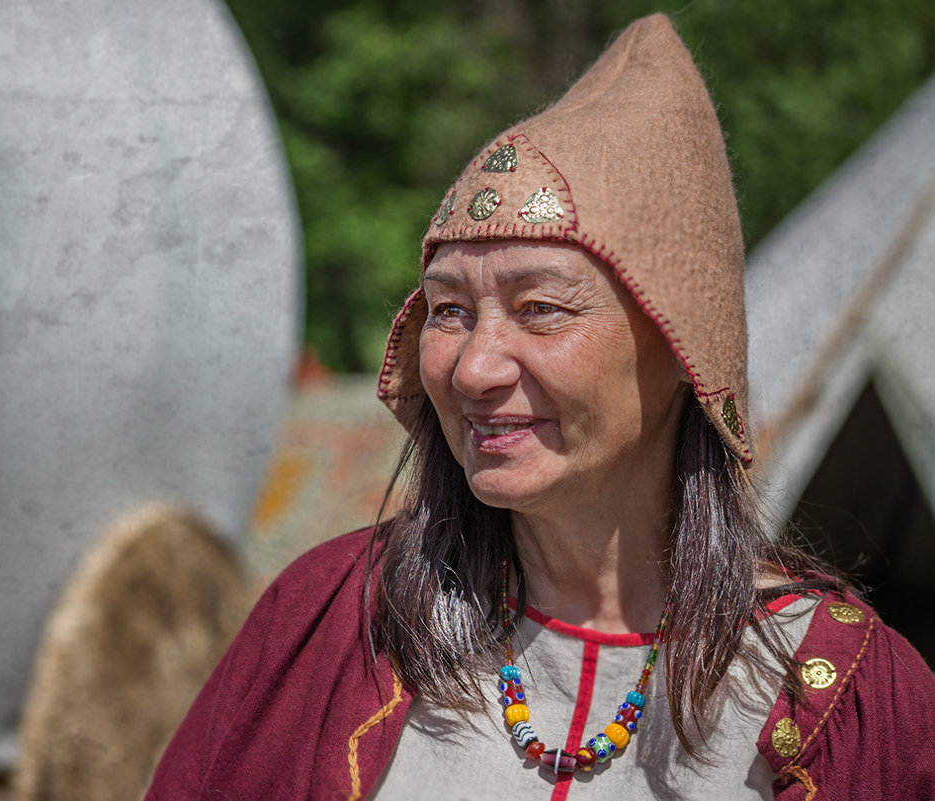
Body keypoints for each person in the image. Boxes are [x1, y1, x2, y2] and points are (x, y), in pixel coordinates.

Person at [146, 13, 935, 800]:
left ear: (681, 350)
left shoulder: (848, 697)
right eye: (449, 310)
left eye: (541, 309)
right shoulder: (328, 624)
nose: (476, 367)